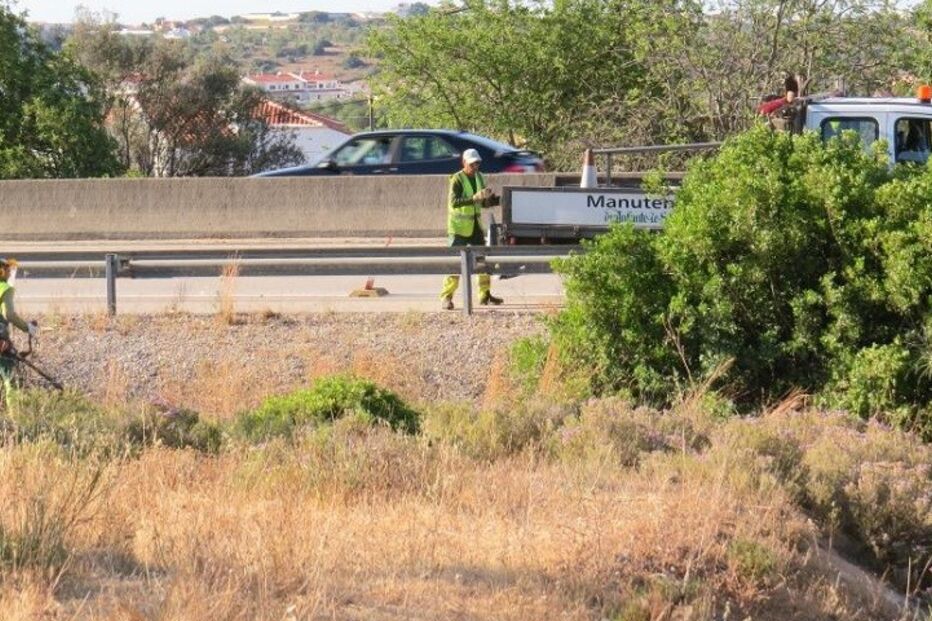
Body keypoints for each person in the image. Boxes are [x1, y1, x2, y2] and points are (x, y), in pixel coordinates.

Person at [440, 148, 503, 310]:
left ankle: (485, 294)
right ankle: (446, 297)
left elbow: (482, 203)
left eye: (477, 163)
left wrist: (492, 199)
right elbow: (455, 202)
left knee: (482, 261)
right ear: (464, 163)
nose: (475, 166)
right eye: (472, 164)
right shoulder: (457, 179)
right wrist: (474, 198)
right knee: (454, 264)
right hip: (459, 229)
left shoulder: (480, 177)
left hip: (475, 227)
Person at [0, 258, 38, 399]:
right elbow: (8, 314)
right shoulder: (5, 288)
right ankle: (15, 418)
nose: (10, 274)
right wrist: (26, 327)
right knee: (11, 380)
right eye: (8, 270)